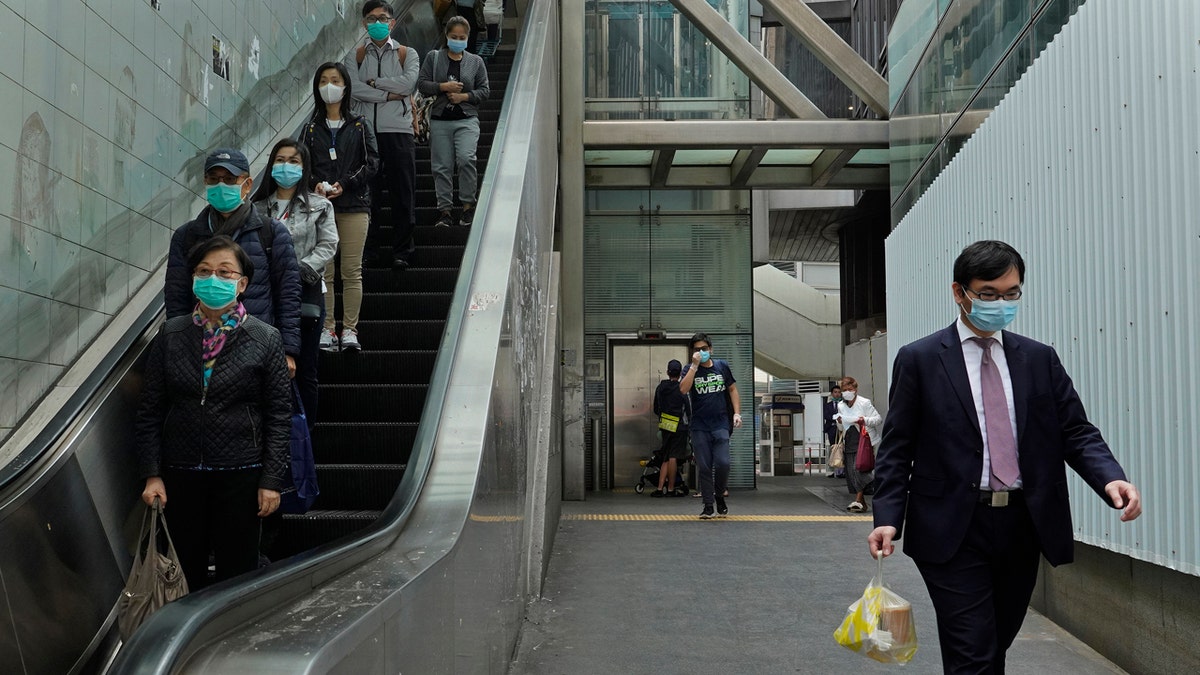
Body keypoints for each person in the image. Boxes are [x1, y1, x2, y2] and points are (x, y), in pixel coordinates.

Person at [867, 240, 1142, 674]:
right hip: (951, 527)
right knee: (973, 652)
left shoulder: (1038, 359)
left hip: (1022, 524)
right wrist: (886, 516)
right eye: (989, 294)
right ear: (960, 293)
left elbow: (1075, 430)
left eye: (1011, 293)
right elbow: (897, 448)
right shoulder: (920, 360)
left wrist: (1110, 478)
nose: (1001, 303)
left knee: (993, 646)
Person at [136, 236, 291, 589]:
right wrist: (151, 473)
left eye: (224, 272)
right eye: (204, 271)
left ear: (242, 284)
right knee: (183, 573)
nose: (212, 279)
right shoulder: (171, 334)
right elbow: (150, 409)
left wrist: (271, 481)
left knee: (237, 573)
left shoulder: (265, 338)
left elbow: (279, 414)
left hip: (241, 473)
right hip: (181, 474)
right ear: (192, 279)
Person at [165, 149, 301, 379]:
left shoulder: (271, 232)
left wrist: (288, 350)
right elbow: (177, 296)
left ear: (247, 185)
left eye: (229, 179)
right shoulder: (186, 236)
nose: (221, 185)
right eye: (214, 179)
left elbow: (288, 294)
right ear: (205, 182)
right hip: (200, 348)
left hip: (257, 347)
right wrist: (176, 345)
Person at [249, 139, 339, 425]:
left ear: (305, 167)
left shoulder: (320, 206)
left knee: (305, 369)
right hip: (264, 296)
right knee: (265, 368)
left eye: (294, 161)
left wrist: (296, 272)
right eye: (280, 159)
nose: (286, 166)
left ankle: (304, 435)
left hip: (306, 294)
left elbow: (328, 245)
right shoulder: (256, 208)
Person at [301, 62, 380, 352]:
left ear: (346, 85)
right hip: (321, 207)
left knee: (351, 270)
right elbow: (302, 164)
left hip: (354, 205)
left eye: (334, 80)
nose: (329, 86)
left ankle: (350, 330)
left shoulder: (359, 124)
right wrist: (316, 185)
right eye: (323, 80)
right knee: (326, 271)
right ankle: (327, 328)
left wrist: (345, 184)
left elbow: (372, 161)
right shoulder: (310, 128)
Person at [344, 1, 419, 271]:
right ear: (364, 23)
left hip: (399, 132)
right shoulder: (355, 56)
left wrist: (374, 83)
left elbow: (408, 84)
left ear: (392, 22)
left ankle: (403, 251)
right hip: (365, 132)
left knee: (403, 193)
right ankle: (370, 250)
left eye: (383, 18)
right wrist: (388, 93)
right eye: (372, 18)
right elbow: (353, 90)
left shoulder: (407, 53)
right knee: (367, 194)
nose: (377, 22)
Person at [418, 15, 490, 228]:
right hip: (440, 120)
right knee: (441, 166)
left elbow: (484, 90)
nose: (458, 40)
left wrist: (464, 97)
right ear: (447, 36)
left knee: (467, 159)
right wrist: (443, 87)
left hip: (467, 119)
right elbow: (422, 84)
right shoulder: (434, 57)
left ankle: (468, 206)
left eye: (462, 37)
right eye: (453, 36)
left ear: (467, 38)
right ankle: (445, 211)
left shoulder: (476, 62)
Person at [679, 332, 741, 519]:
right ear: (692, 352)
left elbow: (732, 389)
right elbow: (683, 389)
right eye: (697, 350)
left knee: (723, 463)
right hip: (699, 425)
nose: (701, 352)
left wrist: (736, 413)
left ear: (711, 349)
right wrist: (695, 366)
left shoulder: (722, 366)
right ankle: (708, 506)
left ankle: (719, 494)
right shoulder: (688, 369)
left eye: (704, 349)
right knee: (704, 466)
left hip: (721, 423)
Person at [834, 376, 881, 512]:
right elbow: (841, 428)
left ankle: (858, 499)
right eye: (844, 390)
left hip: (864, 439)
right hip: (849, 439)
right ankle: (862, 503)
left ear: (855, 389)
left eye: (850, 389)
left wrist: (863, 420)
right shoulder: (841, 405)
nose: (847, 392)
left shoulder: (864, 403)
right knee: (851, 471)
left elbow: (878, 419)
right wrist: (839, 421)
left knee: (859, 468)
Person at [651, 359, 688, 498]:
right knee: (673, 457)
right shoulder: (682, 388)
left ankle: (660, 488)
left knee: (665, 456)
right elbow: (688, 409)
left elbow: (656, 407)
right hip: (679, 426)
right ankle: (671, 489)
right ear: (680, 374)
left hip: (666, 424)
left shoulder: (661, 388)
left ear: (667, 372)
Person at [823, 384, 842, 478]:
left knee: (841, 449)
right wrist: (836, 418)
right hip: (831, 428)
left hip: (842, 429)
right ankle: (833, 470)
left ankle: (841, 471)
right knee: (833, 449)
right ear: (832, 394)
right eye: (835, 392)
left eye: (839, 392)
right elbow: (826, 416)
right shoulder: (827, 405)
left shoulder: (844, 404)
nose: (837, 394)